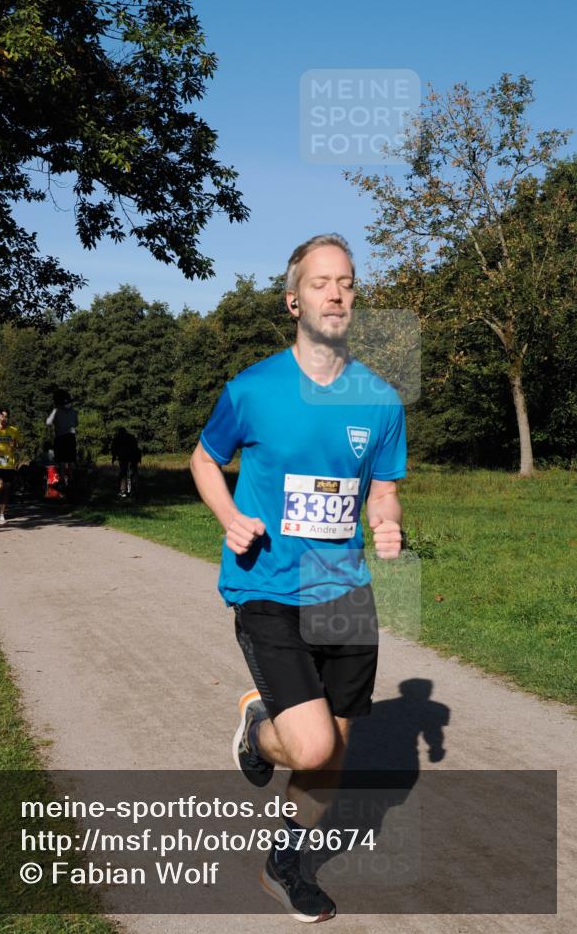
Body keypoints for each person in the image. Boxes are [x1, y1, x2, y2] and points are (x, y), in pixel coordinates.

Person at [190, 233, 406, 923]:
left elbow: (382, 489)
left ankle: (287, 861)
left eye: (345, 281)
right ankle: (260, 731)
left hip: (344, 591)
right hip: (268, 586)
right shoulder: (252, 389)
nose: (336, 292)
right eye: (320, 282)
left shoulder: (379, 400)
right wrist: (228, 515)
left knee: (333, 751)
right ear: (293, 301)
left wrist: (387, 521)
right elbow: (202, 460)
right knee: (309, 744)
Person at [45, 391, 78, 493]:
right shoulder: (74, 411)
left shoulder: (57, 411)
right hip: (70, 437)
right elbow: (76, 423)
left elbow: (48, 422)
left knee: (63, 460)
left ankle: (64, 480)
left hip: (61, 437)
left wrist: (55, 411)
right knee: (70, 459)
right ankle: (70, 479)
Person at [111, 426, 141, 498]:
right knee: (130, 474)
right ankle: (132, 490)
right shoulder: (130, 437)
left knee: (124, 474)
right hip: (130, 458)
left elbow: (114, 449)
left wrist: (114, 457)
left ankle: (124, 491)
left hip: (126, 458)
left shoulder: (117, 439)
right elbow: (136, 449)